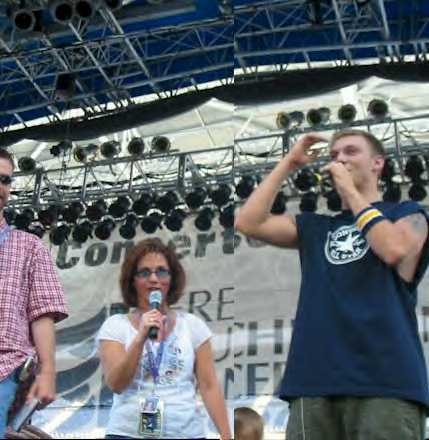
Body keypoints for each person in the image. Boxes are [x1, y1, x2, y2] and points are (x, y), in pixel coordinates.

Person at [235, 129, 429, 440]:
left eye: (351, 151)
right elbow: (248, 222)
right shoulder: (318, 226)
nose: (340, 159)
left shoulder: (406, 213)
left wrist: (350, 191)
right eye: (334, 154)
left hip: (385, 381)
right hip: (314, 382)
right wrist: (289, 163)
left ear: (377, 163)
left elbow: (393, 249)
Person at [97, 237, 231, 439]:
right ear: (132, 281)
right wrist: (140, 337)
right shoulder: (115, 326)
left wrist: (227, 435)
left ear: (172, 278)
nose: (154, 279)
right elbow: (117, 384)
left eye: (161, 271)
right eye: (144, 272)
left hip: (186, 433)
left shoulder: (192, 326)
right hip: (128, 433)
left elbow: (209, 385)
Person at [0, 149, 68, 437]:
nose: (0, 187)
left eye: (5, 180)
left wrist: (48, 371)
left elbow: (42, 313)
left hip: (4, 369)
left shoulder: (28, 246)